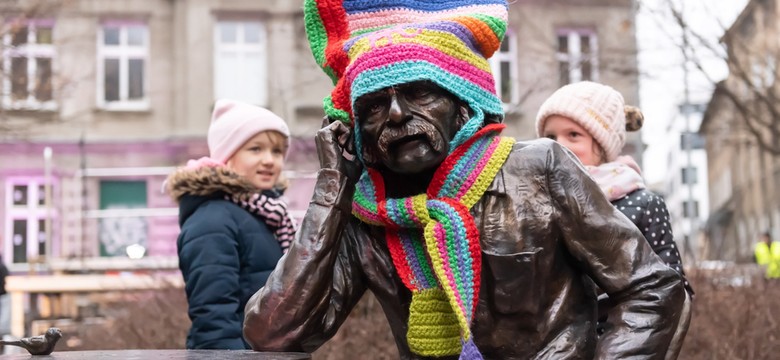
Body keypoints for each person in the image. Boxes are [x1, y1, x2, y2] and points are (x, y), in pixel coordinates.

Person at [243, 1, 685, 358]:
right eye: (375, 105)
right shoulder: (363, 214)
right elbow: (273, 333)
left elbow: (653, 290)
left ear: (463, 103)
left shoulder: (541, 168)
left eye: (418, 92)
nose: (396, 115)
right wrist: (330, 191)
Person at [536, 81, 693, 359]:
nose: (559, 146)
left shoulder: (642, 204)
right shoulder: (537, 204)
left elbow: (670, 290)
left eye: (573, 135)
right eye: (550, 136)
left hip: (620, 344)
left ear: (603, 145)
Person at [166, 99, 295, 349]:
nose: (269, 160)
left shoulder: (270, 215)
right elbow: (214, 318)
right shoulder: (212, 221)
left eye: (276, 151)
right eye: (256, 149)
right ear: (228, 156)